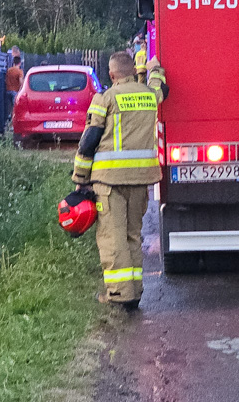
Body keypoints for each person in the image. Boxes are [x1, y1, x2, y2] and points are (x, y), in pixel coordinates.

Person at [71, 52, 168, 310]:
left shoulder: (104, 99)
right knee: (132, 235)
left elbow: (89, 140)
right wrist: (153, 68)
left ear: (112, 75)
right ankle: (134, 291)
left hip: (109, 180)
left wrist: (80, 179)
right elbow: (160, 89)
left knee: (112, 237)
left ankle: (118, 294)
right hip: (141, 179)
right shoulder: (149, 95)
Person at [5, 56, 24, 120]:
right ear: (20, 63)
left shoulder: (9, 70)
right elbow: (21, 82)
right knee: (15, 108)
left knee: (10, 107)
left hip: (8, 90)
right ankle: (13, 123)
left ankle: (9, 120)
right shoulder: (19, 71)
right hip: (15, 91)